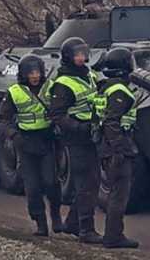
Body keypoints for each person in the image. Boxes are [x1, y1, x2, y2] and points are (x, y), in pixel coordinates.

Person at [0, 54, 62, 236]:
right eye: (31, 73)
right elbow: (2, 120)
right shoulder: (14, 92)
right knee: (32, 188)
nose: (35, 76)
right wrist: (14, 135)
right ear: (24, 74)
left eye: (37, 72)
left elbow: (62, 107)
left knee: (51, 182)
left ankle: (56, 216)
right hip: (25, 142)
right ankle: (40, 223)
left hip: (46, 139)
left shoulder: (51, 87)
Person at [48, 37, 103, 244]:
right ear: (68, 57)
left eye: (83, 53)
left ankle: (73, 223)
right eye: (77, 54)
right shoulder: (63, 83)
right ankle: (86, 229)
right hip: (77, 138)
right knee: (85, 183)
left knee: (93, 181)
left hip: (91, 134)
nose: (82, 57)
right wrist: (80, 127)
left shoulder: (89, 75)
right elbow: (57, 115)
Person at [94, 48, 139, 249]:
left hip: (106, 147)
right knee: (119, 194)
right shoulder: (119, 91)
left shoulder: (105, 87)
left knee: (116, 192)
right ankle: (113, 236)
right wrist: (119, 149)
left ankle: (113, 234)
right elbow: (111, 122)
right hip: (116, 149)